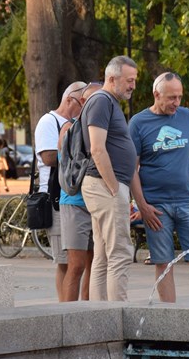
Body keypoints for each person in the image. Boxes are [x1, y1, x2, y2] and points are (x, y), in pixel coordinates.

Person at [129, 72, 189, 304]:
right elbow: (132, 169)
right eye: (171, 97)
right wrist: (142, 206)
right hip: (156, 206)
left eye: (179, 97)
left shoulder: (186, 116)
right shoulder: (138, 123)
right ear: (156, 94)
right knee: (163, 263)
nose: (176, 103)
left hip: (187, 201)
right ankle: (169, 316)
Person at [80, 56, 138, 302]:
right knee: (119, 254)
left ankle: (101, 314)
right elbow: (97, 148)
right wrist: (114, 187)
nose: (133, 86)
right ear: (112, 79)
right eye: (129, 80)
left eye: (134, 80)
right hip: (105, 186)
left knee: (103, 256)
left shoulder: (107, 102)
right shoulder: (102, 101)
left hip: (104, 186)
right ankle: (118, 313)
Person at [34, 80, 86, 301]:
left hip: (74, 196)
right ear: (69, 100)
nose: (84, 107)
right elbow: (48, 157)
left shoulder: (77, 123)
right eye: (82, 102)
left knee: (80, 261)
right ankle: (64, 307)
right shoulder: (49, 121)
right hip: (56, 197)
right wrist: (78, 155)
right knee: (65, 262)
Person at [58, 82, 102, 301]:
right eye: (95, 100)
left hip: (99, 203)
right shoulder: (70, 128)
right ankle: (68, 313)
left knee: (95, 264)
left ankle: (88, 310)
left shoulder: (103, 127)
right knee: (76, 265)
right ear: (84, 102)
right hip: (75, 202)